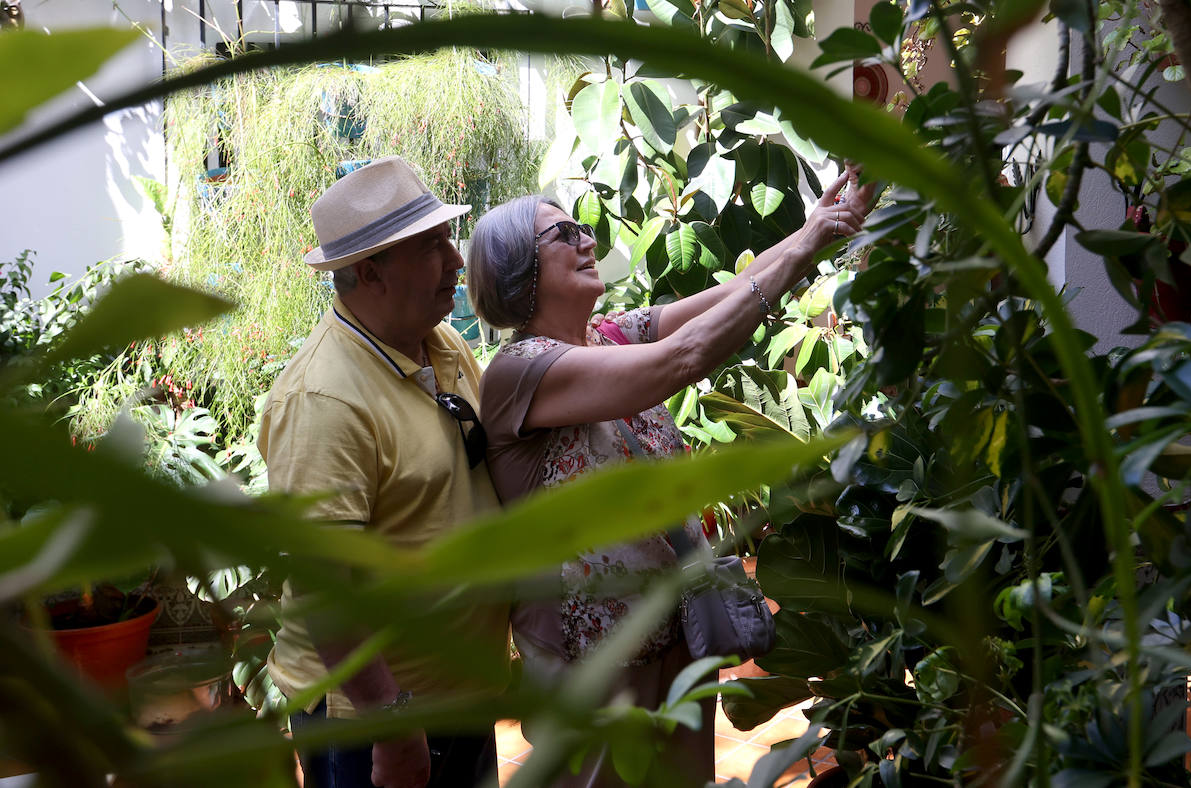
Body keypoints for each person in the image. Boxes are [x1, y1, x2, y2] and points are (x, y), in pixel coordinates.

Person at [466, 165, 875, 787]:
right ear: (519, 274)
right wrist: (810, 245)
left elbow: (733, 292)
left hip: (676, 634)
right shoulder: (521, 370)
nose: (587, 240)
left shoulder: (607, 336)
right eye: (564, 234)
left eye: (582, 228)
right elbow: (681, 358)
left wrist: (815, 232)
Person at [260, 157, 508, 788]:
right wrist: (393, 725)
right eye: (433, 247)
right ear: (370, 273)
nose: (457, 260)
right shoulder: (325, 400)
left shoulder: (440, 343)